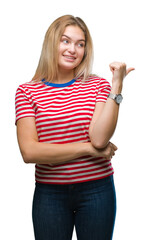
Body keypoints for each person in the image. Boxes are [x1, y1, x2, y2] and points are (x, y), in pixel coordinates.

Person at [15, 15, 134, 240]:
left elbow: (99, 139)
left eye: (80, 44)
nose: (73, 49)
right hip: (49, 194)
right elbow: (30, 152)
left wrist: (117, 85)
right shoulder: (26, 92)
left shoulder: (98, 84)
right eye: (66, 41)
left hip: (97, 190)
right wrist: (87, 149)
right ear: (52, 43)